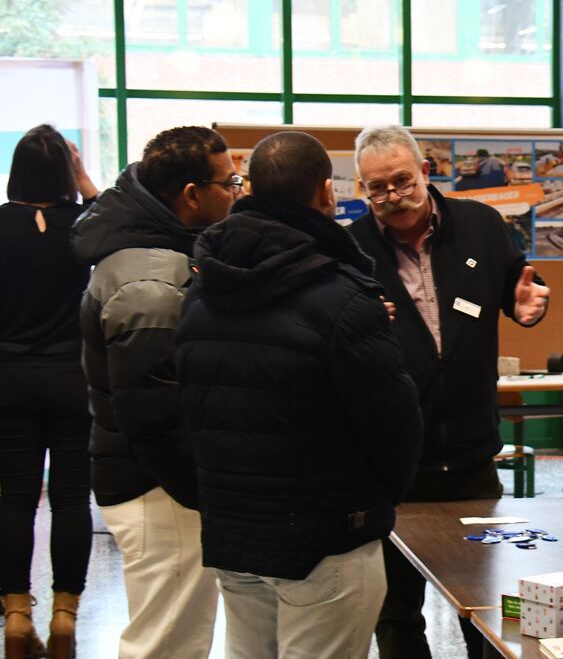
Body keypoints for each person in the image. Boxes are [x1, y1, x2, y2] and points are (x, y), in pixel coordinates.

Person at [175, 131, 424, 659]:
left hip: (233, 532)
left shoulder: (202, 291)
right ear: (326, 193)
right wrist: (374, 500)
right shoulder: (343, 296)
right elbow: (396, 424)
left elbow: (189, 411)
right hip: (328, 535)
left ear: (249, 189)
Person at [348, 124, 549, 659]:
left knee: (484, 605)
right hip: (390, 469)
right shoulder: (351, 251)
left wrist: (529, 306)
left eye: (400, 180)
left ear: (425, 172)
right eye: (377, 188)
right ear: (361, 189)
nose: (392, 196)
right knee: (394, 614)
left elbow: (517, 290)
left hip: (471, 460)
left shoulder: (481, 225)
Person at [71, 125, 238, 659]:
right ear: (192, 194)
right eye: (228, 182)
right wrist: (202, 488)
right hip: (159, 486)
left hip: (155, 481)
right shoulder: (150, 280)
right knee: (168, 642)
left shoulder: (156, 254)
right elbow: (153, 414)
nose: (236, 192)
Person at [0, 125, 98, 659]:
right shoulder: (84, 226)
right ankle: (65, 615)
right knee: (69, 500)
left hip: (9, 379)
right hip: (71, 380)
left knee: (15, 498)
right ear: (64, 171)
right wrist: (83, 180)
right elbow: (121, 220)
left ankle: (16, 617)